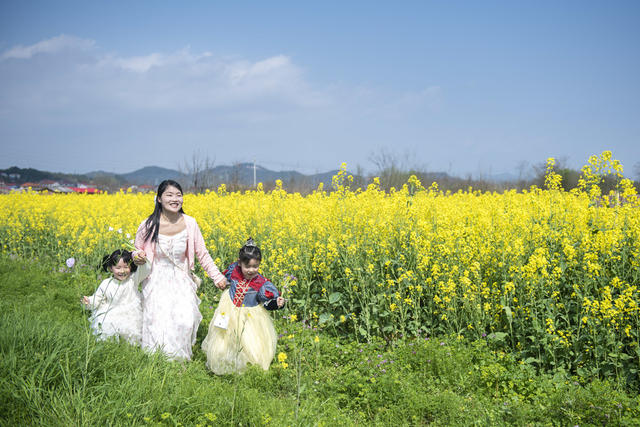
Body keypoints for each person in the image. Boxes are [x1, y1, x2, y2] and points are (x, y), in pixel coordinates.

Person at [133, 179, 228, 360]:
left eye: (178, 195)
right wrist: (136, 257)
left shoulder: (190, 223)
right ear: (159, 199)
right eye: (169, 195)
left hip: (181, 279)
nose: (175, 199)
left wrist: (217, 277)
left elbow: (203, 254)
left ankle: (179, 358)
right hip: (155, 279)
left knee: (185, 320)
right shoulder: (148, 225)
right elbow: (136, 250)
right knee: (158, 321)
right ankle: (158, 362)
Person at [202, 238, 285, 375]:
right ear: (239, 263)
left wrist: (277, 303)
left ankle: (250, 366)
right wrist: (222, 283)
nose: (251, 270)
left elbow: (266, 302)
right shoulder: (234, 272)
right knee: (225, 337)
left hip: (250, 315)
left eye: (256, 266)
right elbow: (225, 280)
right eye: (248, 267)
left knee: (249, 341)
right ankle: (225, 360)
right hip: (229, 309)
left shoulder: (261, 283)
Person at [82, 249, 150, 344]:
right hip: (112, 313)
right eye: (118, 268)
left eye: (126, 267)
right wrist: (89, 301)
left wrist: (140, 258)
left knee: (131, 333)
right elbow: (97, 298)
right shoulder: (106, 283)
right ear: (110, 268)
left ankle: (130, 347)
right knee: (107, 328)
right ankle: (111, 346)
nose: (122, 271)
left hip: (131, 315)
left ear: (131, 267)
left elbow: (145, 270)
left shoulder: (132, 280)